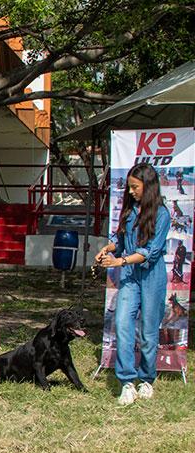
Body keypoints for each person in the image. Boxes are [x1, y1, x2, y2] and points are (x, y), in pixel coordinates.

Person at [94, 162, 170, 405]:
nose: (130, 191)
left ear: (148, 186)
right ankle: (127, 382)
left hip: (151, 276)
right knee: (123, 325)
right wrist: (107, 248)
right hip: (129, 276)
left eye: (135, 187)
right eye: (129, 187)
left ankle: (146, 379)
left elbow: (151, 252)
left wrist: (119, 262)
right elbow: (120, 240)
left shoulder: (162, 215)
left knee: (148, 332)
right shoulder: (129, 211)